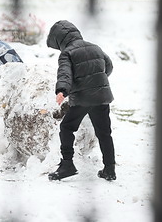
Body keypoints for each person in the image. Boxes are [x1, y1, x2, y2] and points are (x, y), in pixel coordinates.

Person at [46, 20, 116, 181]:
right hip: (102, 97)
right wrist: (97, 80)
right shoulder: (95, 47)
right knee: (105, 133)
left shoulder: (67, 53)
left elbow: (65, 74)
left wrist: (62, 90)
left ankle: (67, 164)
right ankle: (110, 169)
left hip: (83, 98)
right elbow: (109, 66)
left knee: (67, 128)